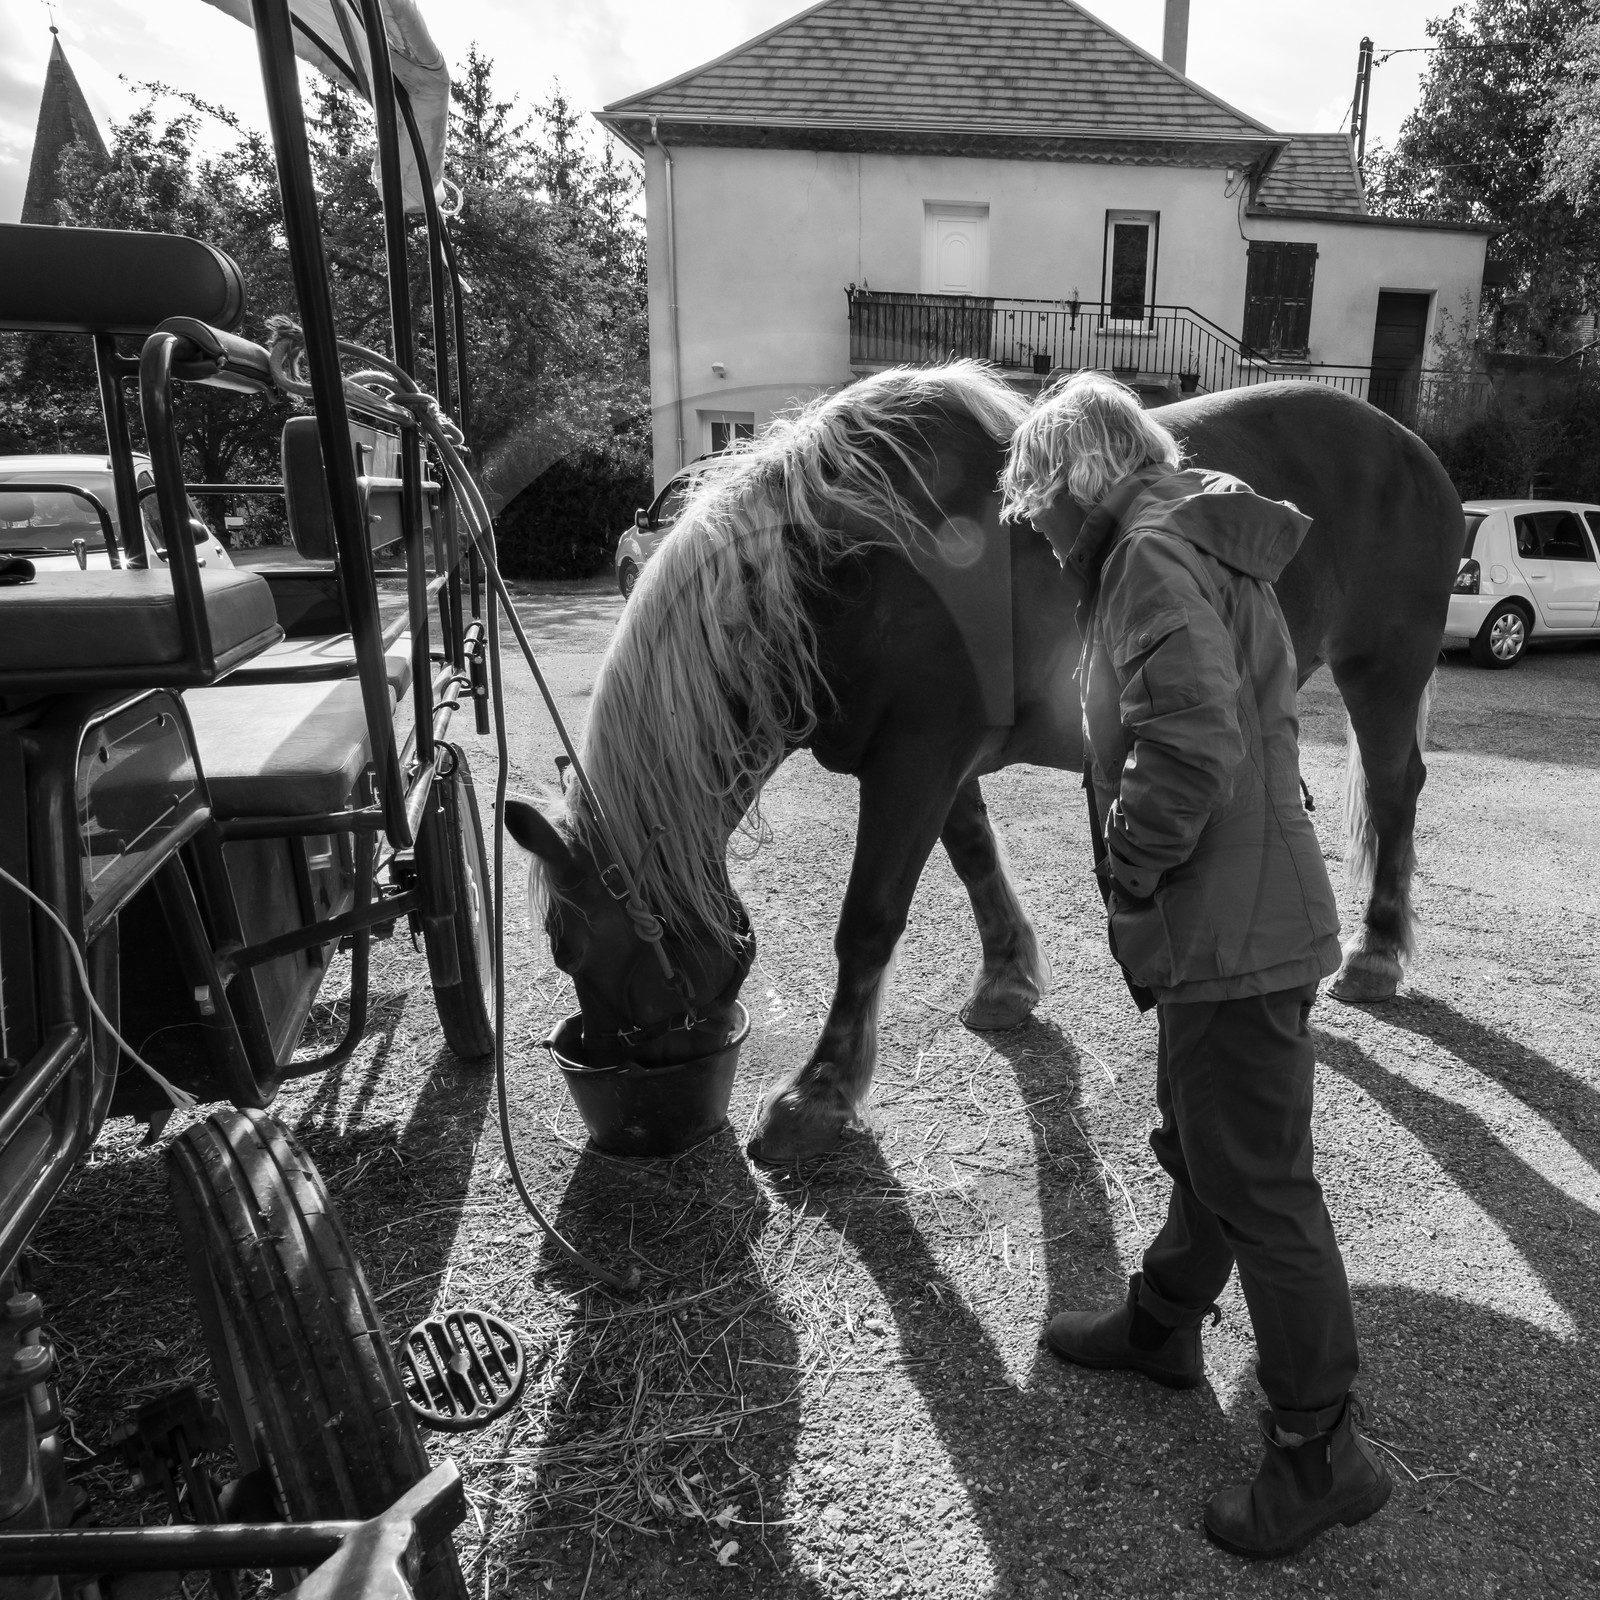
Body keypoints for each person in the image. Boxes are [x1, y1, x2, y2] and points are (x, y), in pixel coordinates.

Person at [998, 373, 1390, 1560]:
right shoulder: (1193, 535)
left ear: (1077, 478)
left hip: (1230, 927)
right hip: (1241, 918)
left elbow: (1189, 739)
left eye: (1038, 505)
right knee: (1209, 1135)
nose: (1038, 531)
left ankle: (1323, 1454)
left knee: (1261, 1183)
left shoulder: (1146, 556)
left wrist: (1129, 863)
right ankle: (1166, 1321)